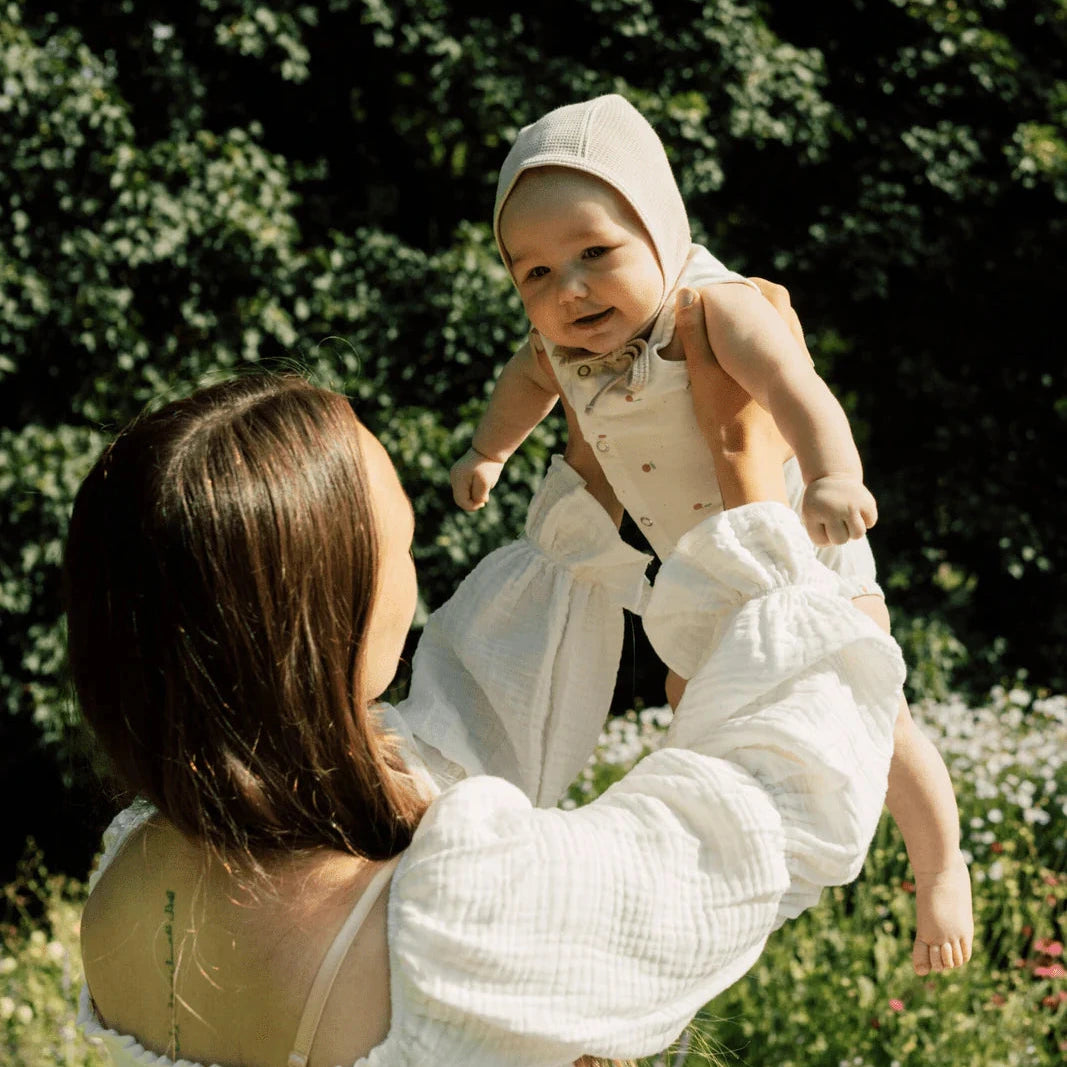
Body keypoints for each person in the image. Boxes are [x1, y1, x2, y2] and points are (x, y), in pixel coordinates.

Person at [72, 288, 905, 1067]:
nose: (411, 575)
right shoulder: (449, 924)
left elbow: (463, 722)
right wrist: (745, 471)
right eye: (399, 544)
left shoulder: (134, 870)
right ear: (322, 616)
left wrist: (594, 466)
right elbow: (761, 820)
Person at [449, 94, 973, 976]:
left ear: (661, 229)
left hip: (799, 548)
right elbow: (521, 385)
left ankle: (939, 866)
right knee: (694, 709)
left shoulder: (715, 305)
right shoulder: (559, 350)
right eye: (533, 273)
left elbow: (798, 389)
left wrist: (834, 474)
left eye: (594, 253)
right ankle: (731, 869)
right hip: (700, 571)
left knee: (871, 709)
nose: (568, 288)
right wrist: (487, 452)